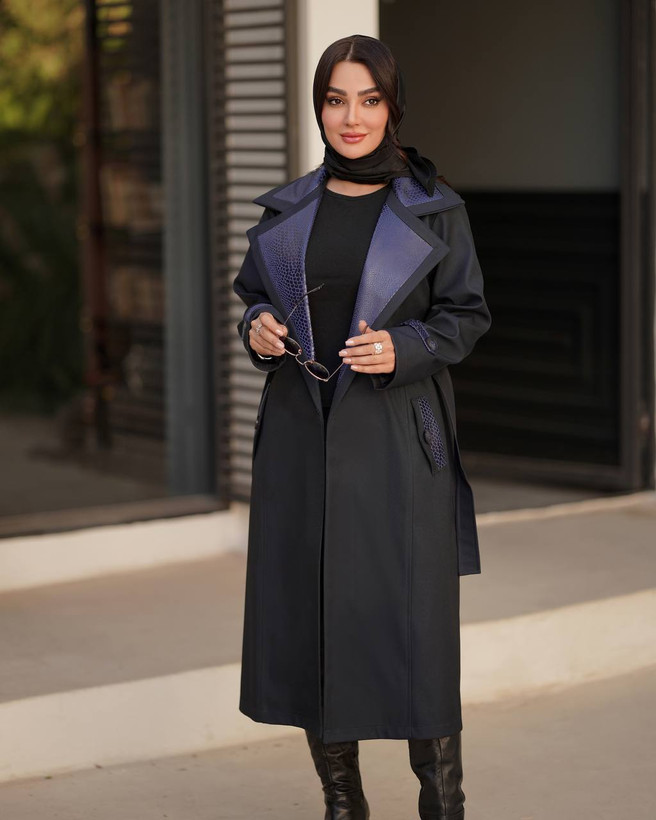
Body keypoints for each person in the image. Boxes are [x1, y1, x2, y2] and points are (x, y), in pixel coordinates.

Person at [233, 33, 491, 820]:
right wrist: (257, 327)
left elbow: (465, 315)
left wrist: (404, 347)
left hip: (398, 439)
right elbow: (256, 298)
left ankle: (441, 803)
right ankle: (342, 802)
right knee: (313, 619)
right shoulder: (288, 208)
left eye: (369, 100)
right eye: (336, 100)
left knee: (416, 627)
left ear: (392, 107)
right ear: (319, 108)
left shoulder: (435, 208)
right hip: (301, 439)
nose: (352, 118)